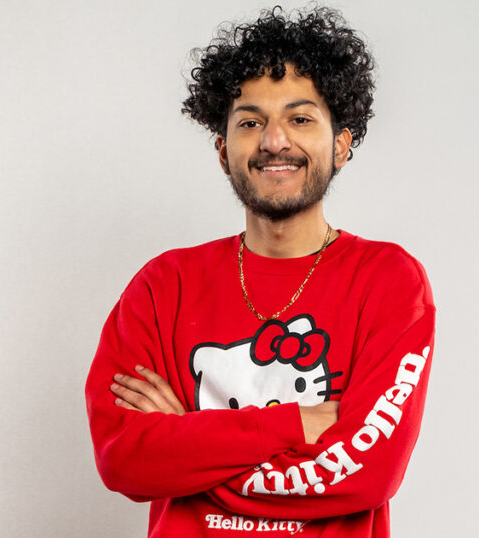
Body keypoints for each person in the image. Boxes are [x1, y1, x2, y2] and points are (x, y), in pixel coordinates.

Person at [85, 6, 436, 537]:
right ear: (224, 150)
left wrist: (188, 439)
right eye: (250, 122)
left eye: (300, 118)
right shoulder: (163, 286)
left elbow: (365, 475)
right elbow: (124, 461)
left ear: (340, 145)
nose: (275, 141)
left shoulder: (389, 282)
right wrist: (295, 423)